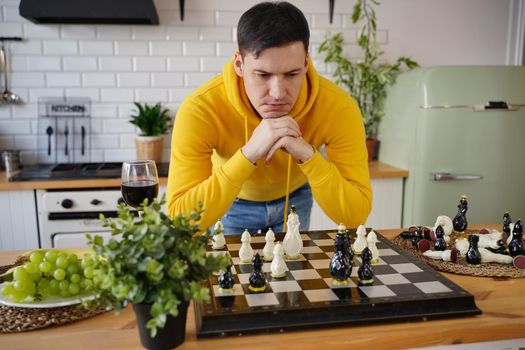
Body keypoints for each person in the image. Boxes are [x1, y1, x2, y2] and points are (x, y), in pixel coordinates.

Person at [166, 1, 372, 234]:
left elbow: (355, 216)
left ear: (306, 64)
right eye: (263, 75)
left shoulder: (339, 107)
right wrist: (249, 153)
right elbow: (182, 221)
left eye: (292, 74)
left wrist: (308, 155)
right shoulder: (200, 108)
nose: (277, 93)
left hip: (295, 200)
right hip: (231, 201)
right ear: (239, 65)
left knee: (292, 271)